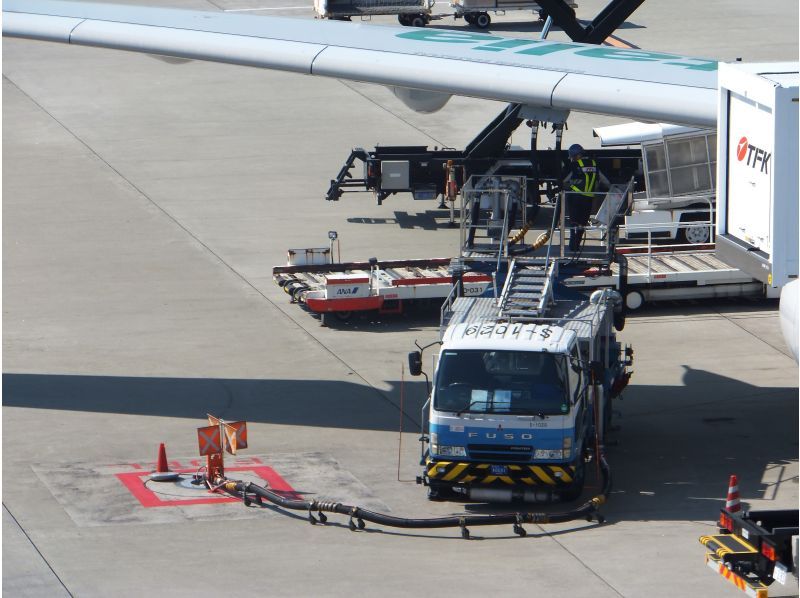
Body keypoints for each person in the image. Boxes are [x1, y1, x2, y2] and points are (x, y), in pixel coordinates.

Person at [562, 144, 610, 252]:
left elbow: (564, 181)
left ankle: (572, 247)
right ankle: (576, 246)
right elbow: (605, 181)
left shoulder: (574, 165)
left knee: (574, 222)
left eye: (572, 156)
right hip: (588, 199)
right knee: (582, 224)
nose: (571, 159)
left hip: (575, 197)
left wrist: (568, 186)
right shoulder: (594, 164)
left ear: (576, 155)